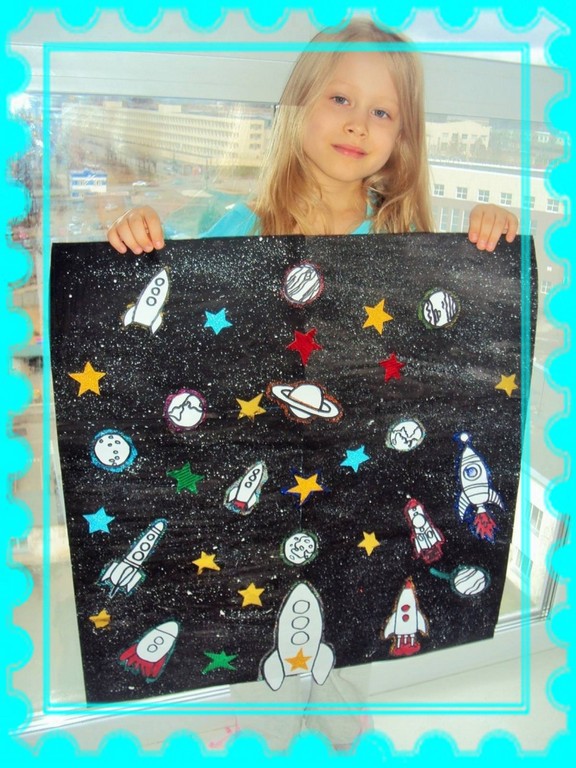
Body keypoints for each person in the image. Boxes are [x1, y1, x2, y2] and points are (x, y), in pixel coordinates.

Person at [107, 19, 519, 751]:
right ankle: (257, 730)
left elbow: (450, 341)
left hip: (356, 494)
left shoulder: (404, 243)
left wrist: (490, 234)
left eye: (382, 111)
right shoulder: (233, 225)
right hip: (256, 493)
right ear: (298, 105)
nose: (359, 123)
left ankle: (338, 731)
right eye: (340, 98)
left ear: (403, 137)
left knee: (347, 645)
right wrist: (138, 238)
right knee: (257, 646)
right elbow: (169, 320)